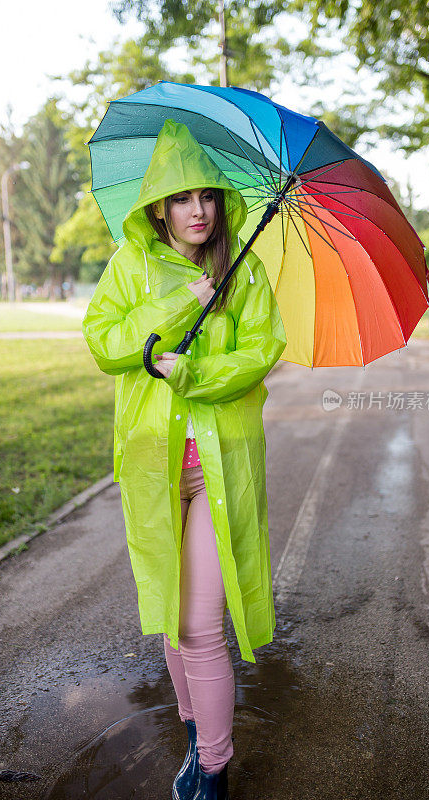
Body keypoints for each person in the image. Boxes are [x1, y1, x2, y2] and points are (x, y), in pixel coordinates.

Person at [82, 119, 287, 800]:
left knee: (201, 624)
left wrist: (193, 375)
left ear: (221, 202)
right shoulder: (130, 265)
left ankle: (214, 767)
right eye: (181, 198)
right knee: (173, 619)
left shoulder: (244, 268)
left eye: (207, 196)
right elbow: (105, 341)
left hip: (218, 471)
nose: (197, 212)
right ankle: (198, 733)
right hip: (153, 466)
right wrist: (179, 303)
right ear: (158, 207)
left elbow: (261, 353)